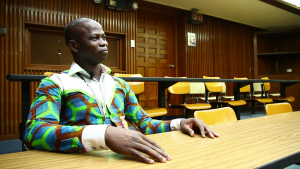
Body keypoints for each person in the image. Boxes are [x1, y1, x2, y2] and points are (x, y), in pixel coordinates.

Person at [24, 18, 219, 164]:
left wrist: (180, 122)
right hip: (82, 162)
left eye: (104, 38)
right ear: (73, 46)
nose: (104, 42)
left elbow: (144, 123)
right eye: (95, 38)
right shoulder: (56, 83)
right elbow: (35, 132)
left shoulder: (120, 84)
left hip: (124, 160)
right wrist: (104, 134)